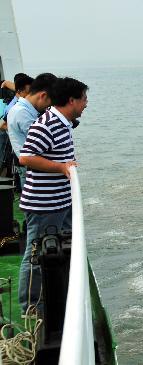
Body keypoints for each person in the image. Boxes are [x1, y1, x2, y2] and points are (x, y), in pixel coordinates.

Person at [17, 76, 88, 313]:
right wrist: (61, 167)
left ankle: (54, 296)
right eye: (84, 99)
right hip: (44, 204)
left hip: (59, 202)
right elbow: (26, 157)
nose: (86, 104)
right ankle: (31, 306)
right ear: (72, 100)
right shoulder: (47, 124)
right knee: (36, 256)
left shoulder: (62, 123)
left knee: (55, 251)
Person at [7, 73, 56, 189]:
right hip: (30, 167)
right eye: (51, 101)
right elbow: (43, 141)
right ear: (43, 95)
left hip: (27, 164)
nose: (50, 105)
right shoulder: (22, 113)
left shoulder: (21, 109)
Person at [1, 73, 33, 172]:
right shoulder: (16, 107)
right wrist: (15, 129)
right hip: (18, 151)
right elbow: (2, 125)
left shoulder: (16, 103)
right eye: (29, 92)